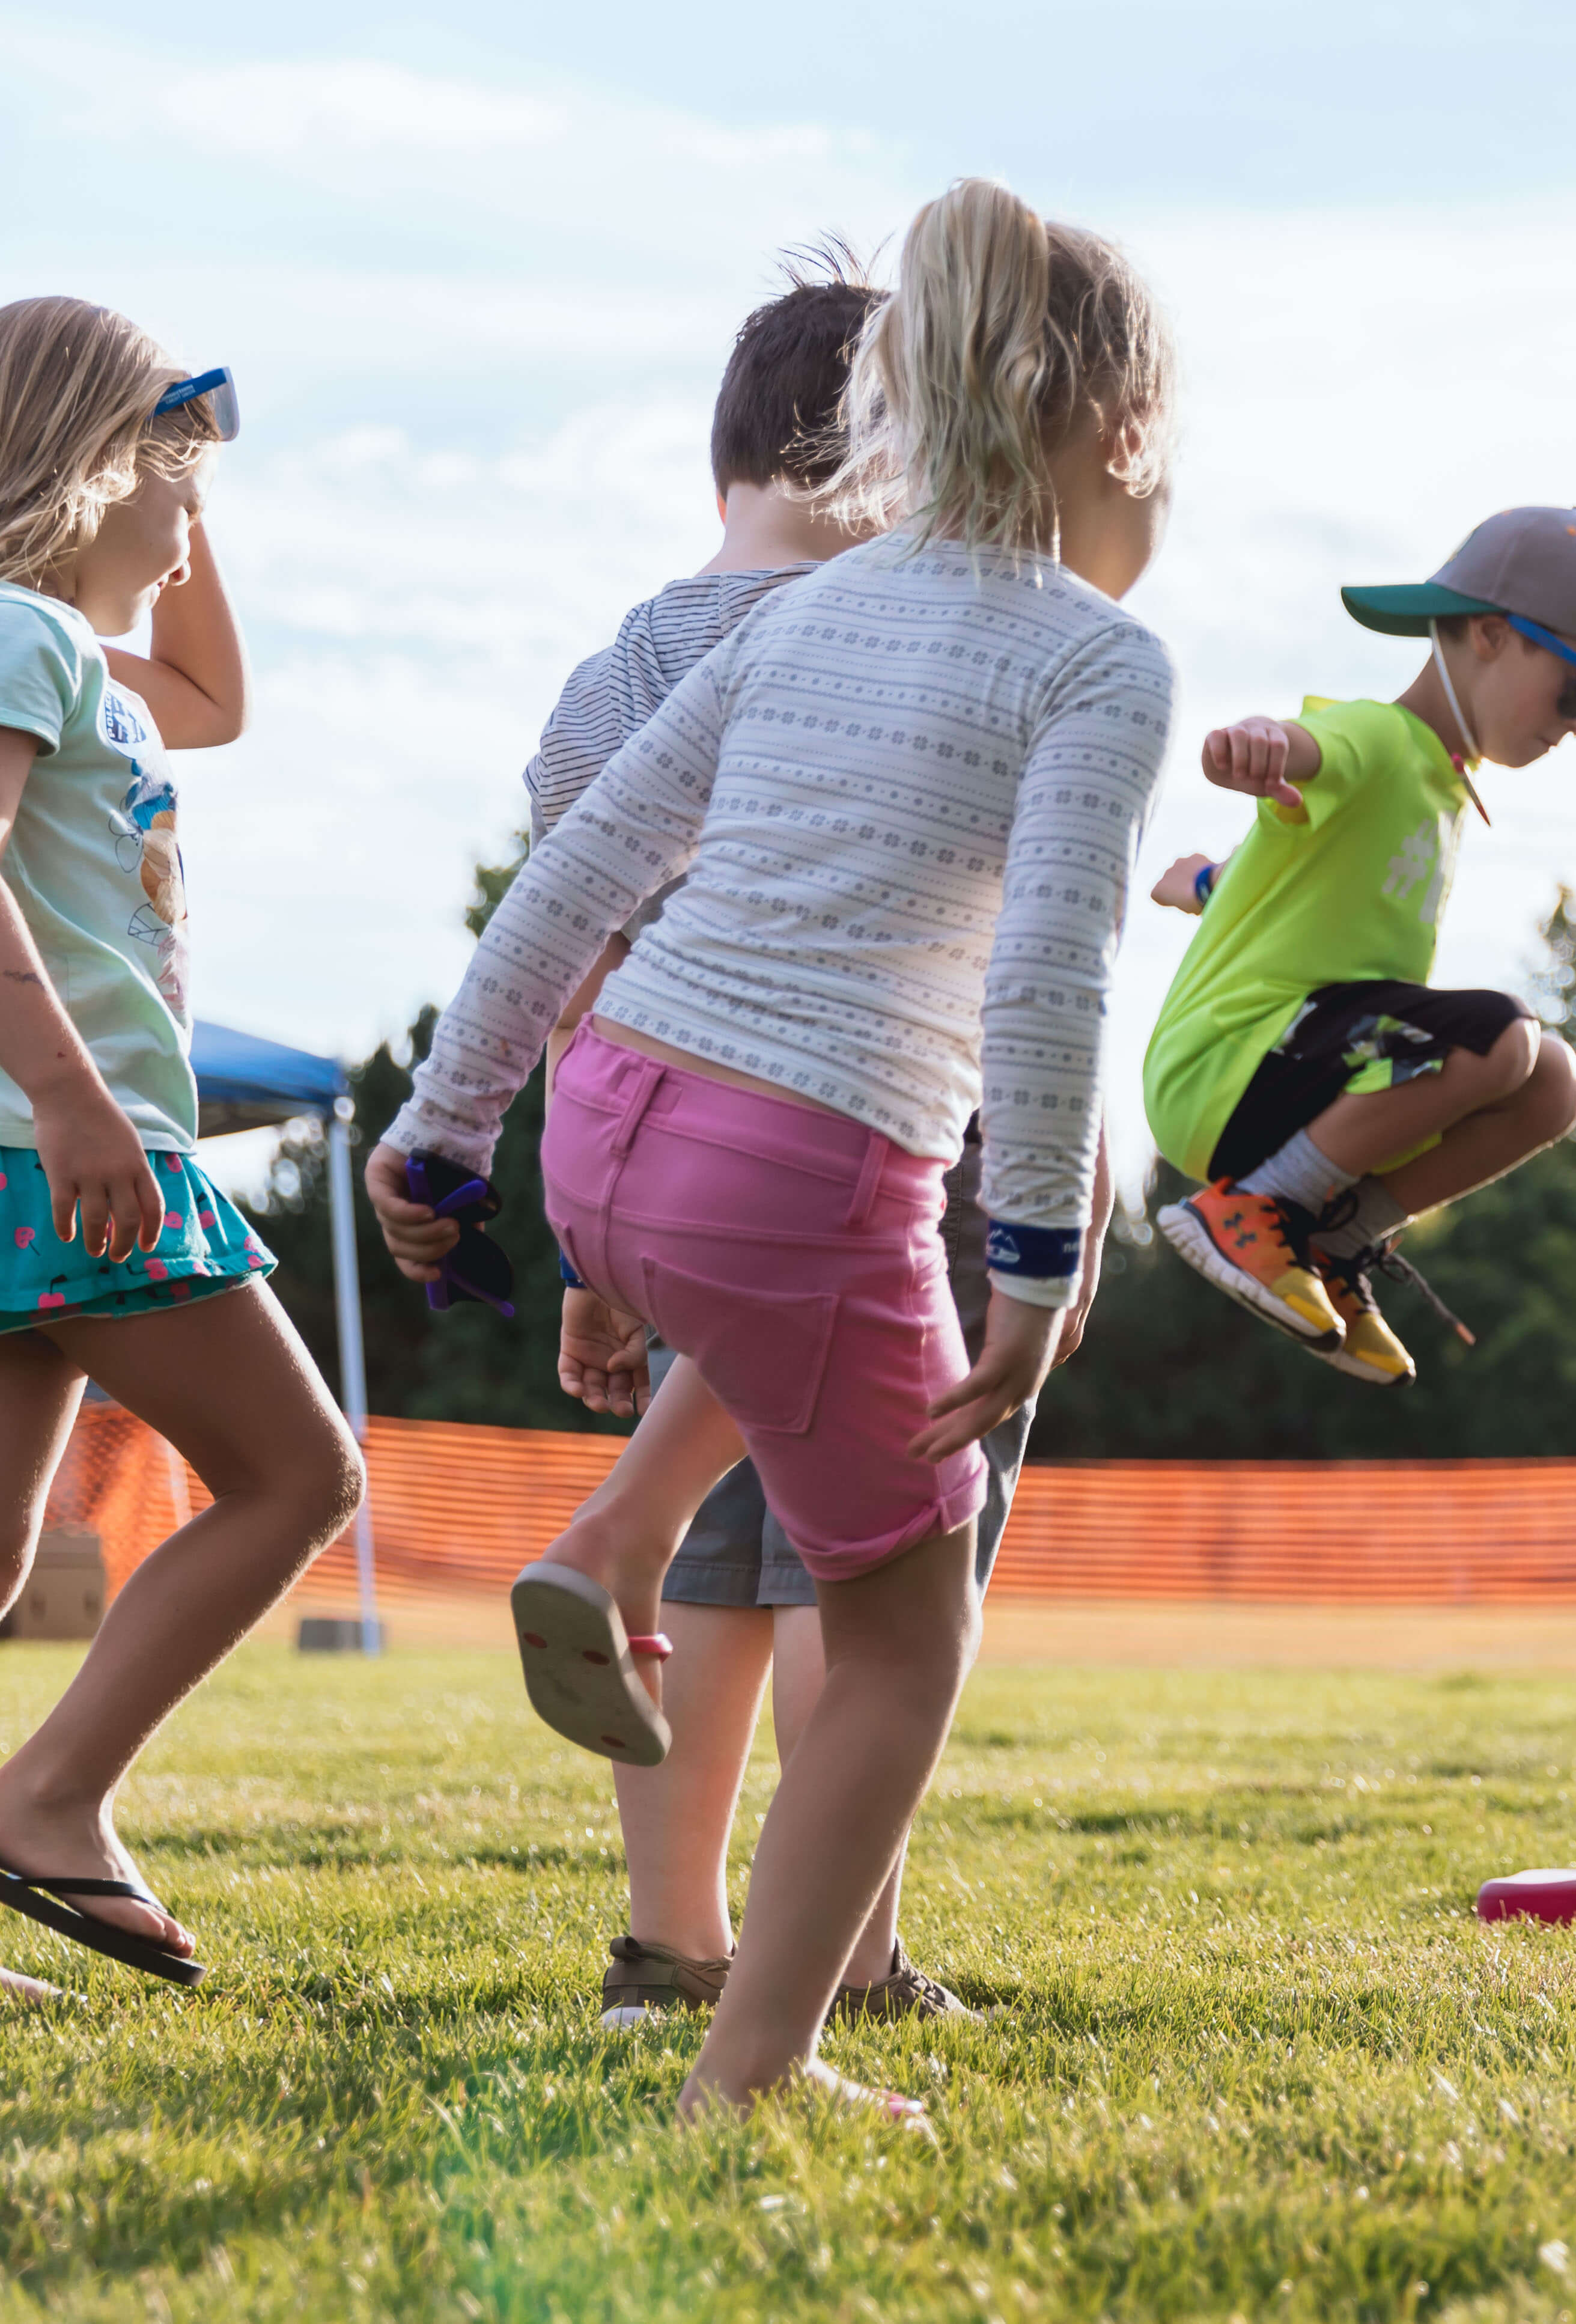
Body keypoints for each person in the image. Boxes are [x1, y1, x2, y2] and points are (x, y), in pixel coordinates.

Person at [369, 177, 1173, 2119]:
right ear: (1114, 432)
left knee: (813, 1477)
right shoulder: (1094, 659)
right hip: (795, 1169)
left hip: (611, 1127)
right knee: (907, 1625)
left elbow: (585, 866)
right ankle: (759, 2065)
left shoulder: (809, 612)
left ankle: (622, 1537)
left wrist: (446, 1127)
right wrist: (1041, 1264)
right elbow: (1053, 978)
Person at [514, 249, 1045, 2032]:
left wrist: (589, 1254)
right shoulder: (924, 648)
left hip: (660, 1159)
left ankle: (667, 1950)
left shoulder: (622, 663)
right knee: (874, 1576)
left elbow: (576, 947)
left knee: (711, 1574)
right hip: (882, 1154)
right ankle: (854, 1954)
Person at [0, 299, 365, 1998]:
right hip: (66, 1149)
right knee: (304, 1473)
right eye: (176, 485)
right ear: (86, 469)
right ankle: (52, 1798)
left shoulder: (80, 654)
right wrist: (77, 1100)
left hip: (33, 1159)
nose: (195, 521)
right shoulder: (20, 632)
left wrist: (186, 467)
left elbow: (214, 695)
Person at [1140, 508, 1576, 1385]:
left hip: (1296, 1067)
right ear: (1492, 634)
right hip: (1225, 1070)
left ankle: (1330, 1232)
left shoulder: (1445, 787)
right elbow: (1315, 750)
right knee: (1501, 1036)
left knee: (1554, 1082)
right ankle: (1259, 1206)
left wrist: (1207, 887)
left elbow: (1297, 894)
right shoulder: (1383, 740)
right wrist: (1266, 745)